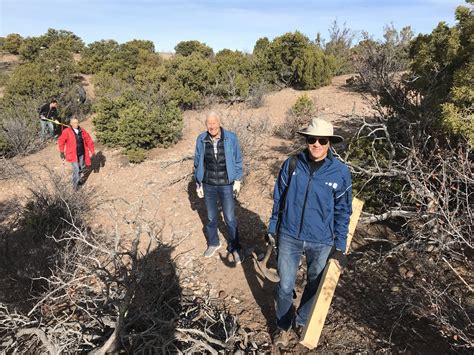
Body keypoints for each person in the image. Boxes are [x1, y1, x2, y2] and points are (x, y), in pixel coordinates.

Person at [268, 117, 352, 347]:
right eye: (312, 139)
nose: (316, 144)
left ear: (330, 143)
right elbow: (279, 198)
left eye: (322, 140)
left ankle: (303, 318)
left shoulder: (340, 172)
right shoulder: (292, 164)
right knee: (285, 286)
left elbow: (344, 211)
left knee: (314, 284)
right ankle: (283, 327)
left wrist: (340, 246)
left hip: (322, 240)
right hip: (289, 235)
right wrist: (273, 227)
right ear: (306, 140)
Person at [194, 112, 244, 263]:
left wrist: (238, 180)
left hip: (226, 184)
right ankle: (214, 243)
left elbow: (238, 160)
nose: (212, 126)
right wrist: (199, 183)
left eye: (214, 123)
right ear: (206, 125)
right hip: (208, 184)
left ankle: (235, 247)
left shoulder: (231, 138)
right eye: (209, 123)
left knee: (229, 217)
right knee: (210, 217)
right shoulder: (201, 139)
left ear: (219, 123)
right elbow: (197, 162)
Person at [58, 118, 95, 190]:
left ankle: (79, 179)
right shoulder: (67, 131)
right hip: (72, 154)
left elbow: (88, 140)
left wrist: (92, 151)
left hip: (81, 153)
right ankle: (75, 187)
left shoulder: (82, 130)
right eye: (74, 123)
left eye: (77, 123)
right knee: (76, 169)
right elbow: (61, 141)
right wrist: (62, 152)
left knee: (81, 167)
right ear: (71, 124)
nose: (76, 124)